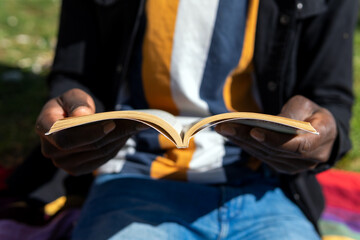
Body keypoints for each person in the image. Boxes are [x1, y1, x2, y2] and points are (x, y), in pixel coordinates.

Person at [35, 0, 357, 239]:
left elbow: (331, 101)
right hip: (133, 180)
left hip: (266, 190)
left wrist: (322, 137)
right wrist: (70, 119)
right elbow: (74, 75)